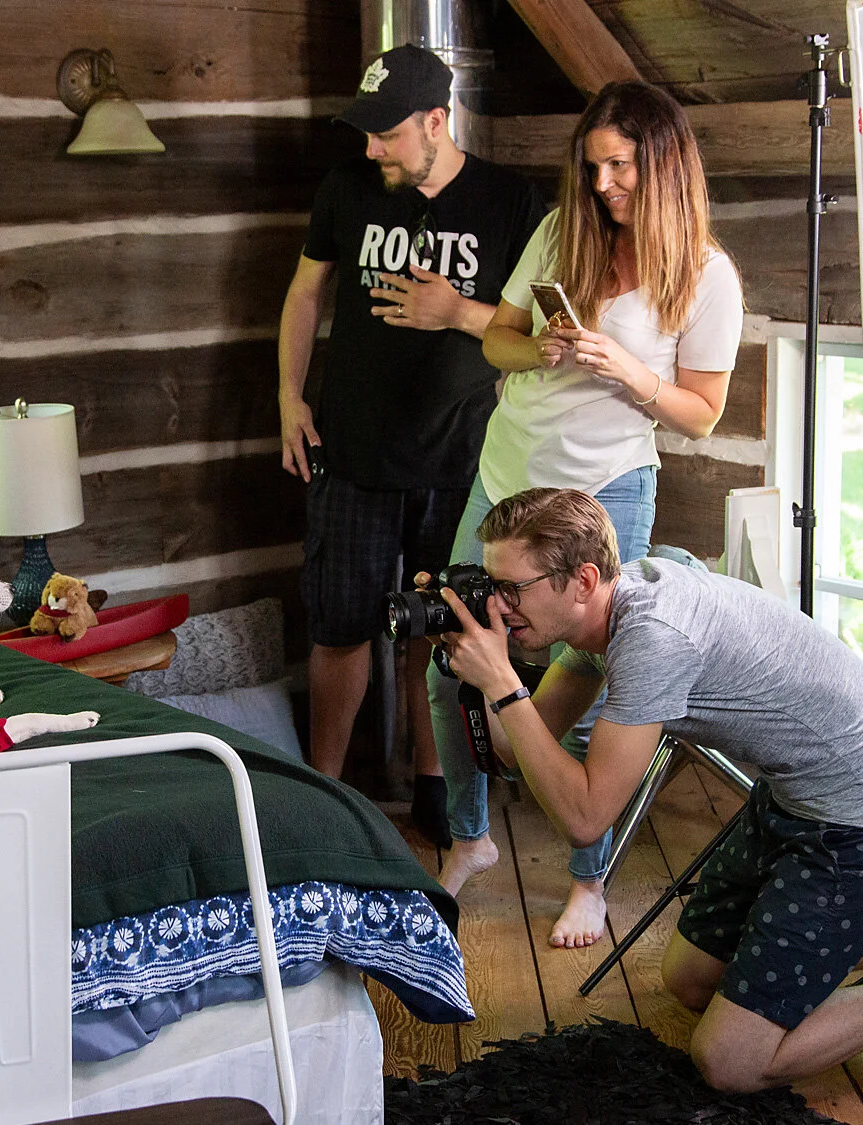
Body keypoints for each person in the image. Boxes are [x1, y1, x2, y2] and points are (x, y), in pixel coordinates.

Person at [429, 488, 863, 1091]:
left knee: (729, 1062)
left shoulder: (653, 640)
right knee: (689, 980)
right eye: (491, 585)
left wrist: (506, 685)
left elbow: (587, 818)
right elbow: (513, 753)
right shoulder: (608, 612)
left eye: (511, 589)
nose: (498, 605)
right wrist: (472, 668)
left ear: (584, 580)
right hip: (792, 798)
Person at [429, 80, 744, 947]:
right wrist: (544, 347)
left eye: (621, 168)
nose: (604, 184)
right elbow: (497, 339)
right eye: (595, 165)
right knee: (448, 660)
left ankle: (588, 876)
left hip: (604, 492)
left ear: (665, 165)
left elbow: (704, 412)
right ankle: (470, 836)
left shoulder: (706, 276)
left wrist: (630, 373)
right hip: (504, 482)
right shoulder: (561, 234)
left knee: (598, 679)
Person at [278, 43, 544, 842]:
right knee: (340, 624)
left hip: (463, 458)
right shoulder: (347, 189)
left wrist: (457, 311)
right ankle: (326, 787)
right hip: (353, 451)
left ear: (438, 120)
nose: (371, 148)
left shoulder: (510, 202)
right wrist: (289, 399)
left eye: (387, 133)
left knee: (438, 626)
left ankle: (434, 782)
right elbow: (303, 294)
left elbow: (536, 332)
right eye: (365, 132)